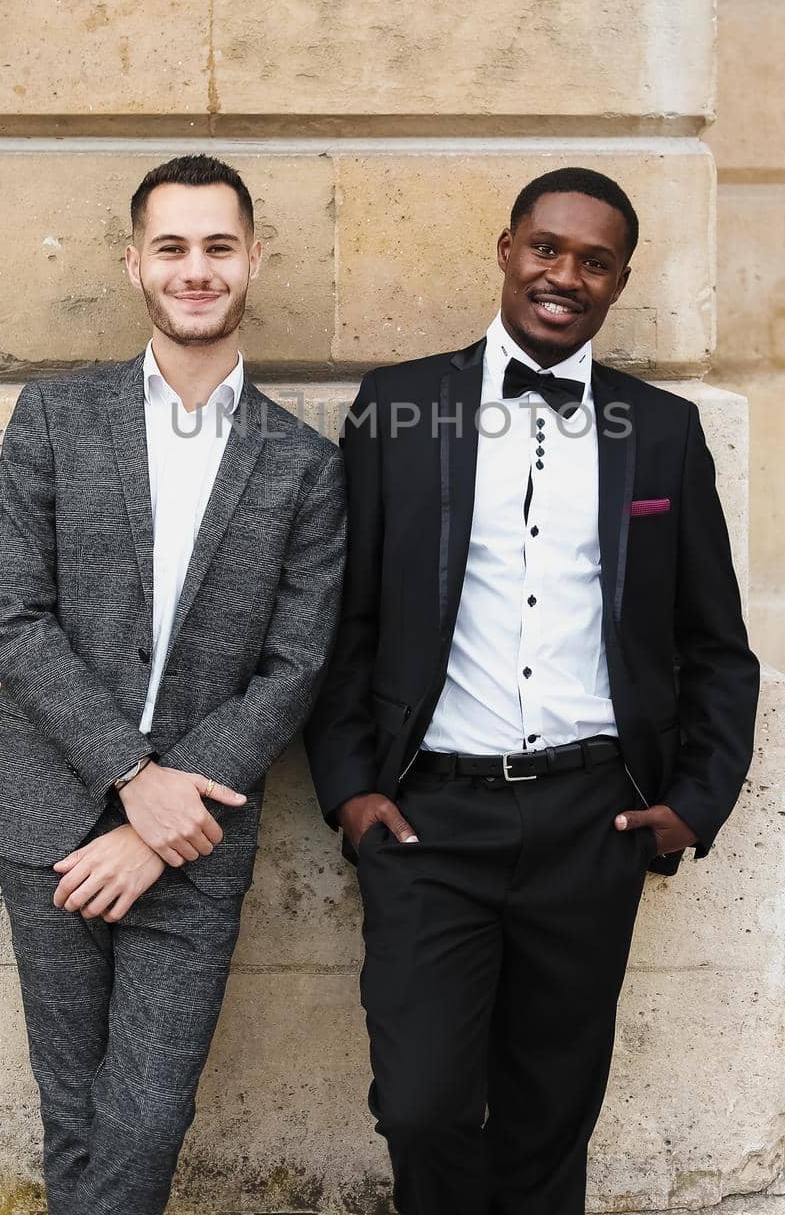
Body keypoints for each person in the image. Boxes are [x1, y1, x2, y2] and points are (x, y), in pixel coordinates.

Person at [304, 166, 759, 1215]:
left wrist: (692, 802)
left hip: (589, 816)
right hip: (429, 818)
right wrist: (351, 793)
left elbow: (715, 645)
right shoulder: (398, 406)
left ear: (620, 280)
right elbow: (345, 620)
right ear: (505, 248)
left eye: (593, 261)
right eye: (546, 248)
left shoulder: (662, 430)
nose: (565, 275)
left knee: (549, 1116)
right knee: (420, 1104)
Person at [0, 153, 346, 1215]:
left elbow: (296, 662)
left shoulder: (303, 466)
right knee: (75, 1112)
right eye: (173, 247)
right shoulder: (54, 422)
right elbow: (13, 618)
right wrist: (128, 774)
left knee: (144, 1116)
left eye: (218, 247)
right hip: (45, 810)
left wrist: (159, 810)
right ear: (134, 262)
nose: (196, 269)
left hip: (194, 835)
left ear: (252, 261)